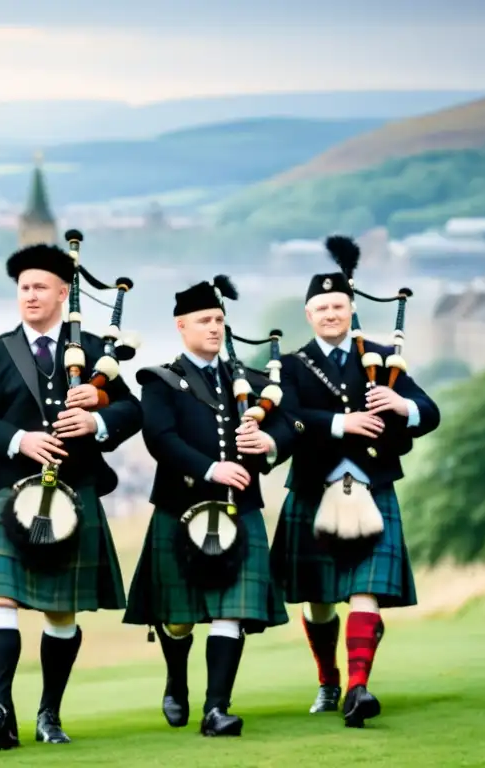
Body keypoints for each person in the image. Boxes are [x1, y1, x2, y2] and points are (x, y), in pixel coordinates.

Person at [0, 242, 143, 749]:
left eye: (41, 287)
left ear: (64, 292)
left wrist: (97, 419)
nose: (31, 296)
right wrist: (21, 439)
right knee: (1, 596)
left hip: (74, 488)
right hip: (7, 488)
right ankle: (1, 710)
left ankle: (49, 714)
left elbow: (133, 412)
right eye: (23, 288)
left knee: (61, 611)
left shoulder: (97, 359)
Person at [270, 239, 440, 729]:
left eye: (338, 306)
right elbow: (291, 416)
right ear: (309, 313)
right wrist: (343, 423)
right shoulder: (294, 367)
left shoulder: (384, 360)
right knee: (319, 600)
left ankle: (358, 687)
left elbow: (429, 412)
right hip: (314, 489)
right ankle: (328, 680)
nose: (330, 314)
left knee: (365, 591)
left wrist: (398, 404)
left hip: (372, 488)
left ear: (351, 309)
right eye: (321, 307)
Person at [122, 275, 295, 737]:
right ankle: (176, 679)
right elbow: (160, 438)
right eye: (204, 320)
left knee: (230, 610)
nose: (214, 327)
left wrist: (267, 442)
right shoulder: (160, 381)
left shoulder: (250, 382)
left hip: (239, 511)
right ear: (182, 326)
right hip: (180, 508)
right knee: (178, 620)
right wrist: (210, 470)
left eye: (219, 319)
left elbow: (291, 426)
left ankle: (217, 708)